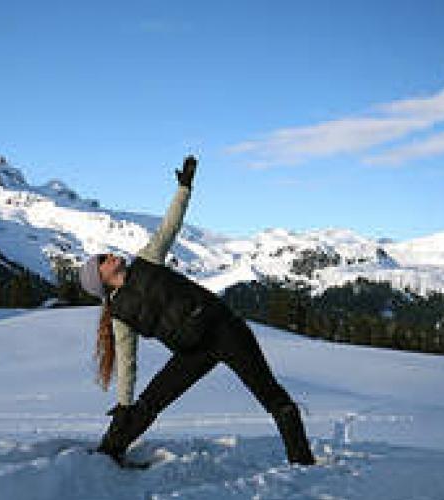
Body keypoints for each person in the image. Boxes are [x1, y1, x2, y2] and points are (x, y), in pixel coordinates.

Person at [78, 156, 315, 467]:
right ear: (102, 279)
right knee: (148, 403)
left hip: (225, 330)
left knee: (270, 395)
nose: (109, 256)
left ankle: (302, 461)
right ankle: (108, 455)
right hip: (192, 352)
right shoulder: (119, 314)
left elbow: (169, 226)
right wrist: (124, 404)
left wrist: (184, 188)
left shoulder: (146, 260)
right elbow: (127, 360)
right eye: (102, 260)